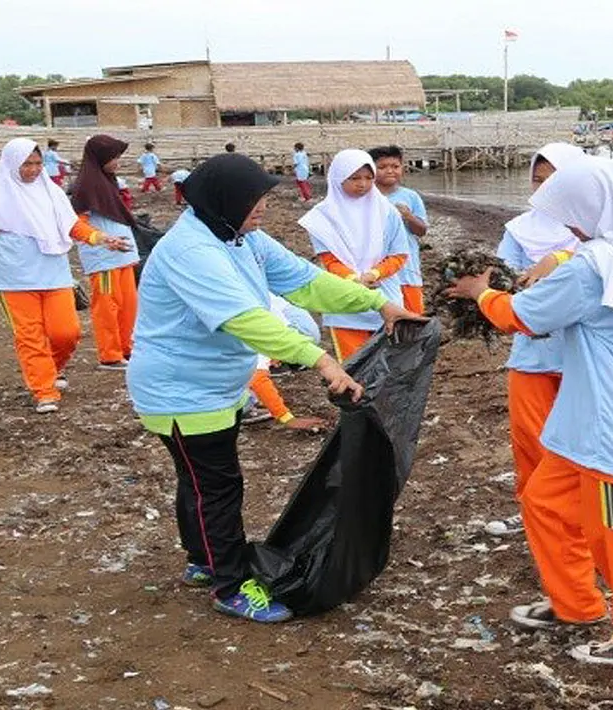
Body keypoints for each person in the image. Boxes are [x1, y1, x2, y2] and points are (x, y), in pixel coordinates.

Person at [126, 153, 422, 623]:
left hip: (214, 386)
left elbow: (306, 283)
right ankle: (228, 584)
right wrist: (322, 360)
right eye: (254, 199)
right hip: (181, 391)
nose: (262, 207)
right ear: (222, 200)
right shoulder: (192, 252)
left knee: (201, 481)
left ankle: (203, 560)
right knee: (216, 486)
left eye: (263, 197)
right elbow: (247, 321)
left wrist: (377, 304)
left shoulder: (243, 238)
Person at [446, 157, 613, 664]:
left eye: (570, 212)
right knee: (545, 500)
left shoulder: (593, 266)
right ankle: (577, 603)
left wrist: (480, 292)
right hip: (594, 405)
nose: (568, 224)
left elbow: (524, 316)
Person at [0, 138, 129, 412]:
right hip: (14, 279)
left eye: (38, 163)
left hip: (54, 274)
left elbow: (73, 226)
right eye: (26, 164)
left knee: (67, 333)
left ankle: (51, 368)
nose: (34, 169)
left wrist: (100, 238)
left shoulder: (51, 192)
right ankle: (45, 391)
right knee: (30, 336)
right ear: (12, 164)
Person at [482, 142, 584, 538]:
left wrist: (555, 262)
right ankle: (534, 509)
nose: (545, 190)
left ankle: (572, 510)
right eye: (538, 181)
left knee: (578, 436)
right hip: (533, 346)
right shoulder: (520, 229)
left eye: (554, 181)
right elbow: (501, 275)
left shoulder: (600, 229)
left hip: (583, 350)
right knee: (529, 435)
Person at [298, 149, 409, 361]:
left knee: (389, 361)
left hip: (385, 296)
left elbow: (400, 255)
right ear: (338, 178)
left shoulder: (387, 211)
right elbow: (329, 260)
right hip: (344, 301)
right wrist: (353, 280)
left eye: (369, 178)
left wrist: (374, 274)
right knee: (353, 364)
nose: (363, 184)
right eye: (355, 178)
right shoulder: (322, 217)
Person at [69, 135, 141, 370]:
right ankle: (110, 354)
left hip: (123, 255)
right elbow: (78, 223)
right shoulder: (86, 187)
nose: (117, 161)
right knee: (108, 306)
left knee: (128, 304)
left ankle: (127, 348)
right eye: (114, 157)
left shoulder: (108, 183)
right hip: (104, 258)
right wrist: (102, 240)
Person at [243, 294, 327, 430]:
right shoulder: (260, 336)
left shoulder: (274, 318)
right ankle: (241, 406)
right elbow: (257, 378)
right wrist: (288, 418)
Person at [369, 145, 427, 314]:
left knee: (413, 315)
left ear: (402, 168)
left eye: (395, 166)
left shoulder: (410, 196)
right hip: (376, 269)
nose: (389, 171)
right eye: (382, 167)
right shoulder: (366, 197)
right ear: (372, 169)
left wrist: (409, 217)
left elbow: (422, 231)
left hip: (407, 269)